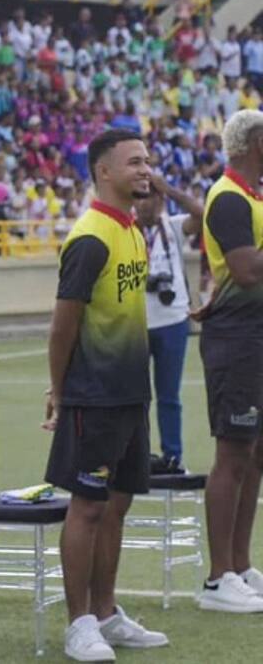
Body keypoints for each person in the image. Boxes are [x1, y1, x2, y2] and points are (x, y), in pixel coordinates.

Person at [43, 129, 168, 660]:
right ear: (103, 172)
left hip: (130, 394)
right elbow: (62, 325)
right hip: (93, 396)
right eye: (134, 162)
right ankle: (79, 623)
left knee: (117, 505)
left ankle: (108, 610)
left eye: (147, 161)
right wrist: (60, 389)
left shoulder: (132, 230)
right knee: (88, 508)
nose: (145, 169)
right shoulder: (91, 237)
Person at [196, 109, 263, 613]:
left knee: (254, 453)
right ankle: (219, 578)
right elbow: (244, 269)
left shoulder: (252, 197)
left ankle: (240, 565)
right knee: (232, 453)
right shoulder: (228, 198)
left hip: (254, 336)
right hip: (237, 339)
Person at [132, 175, 201, 475]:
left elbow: (202, 214)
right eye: (140, 198)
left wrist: (170, 189)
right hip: (135, 323)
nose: (145, 204)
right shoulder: (126, 230)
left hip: (172, 321)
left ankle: (172, 455)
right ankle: (136, 455)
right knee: (136, 396)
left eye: (151, 197)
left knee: (169, 395)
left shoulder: (172, 227)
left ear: (160, 200)